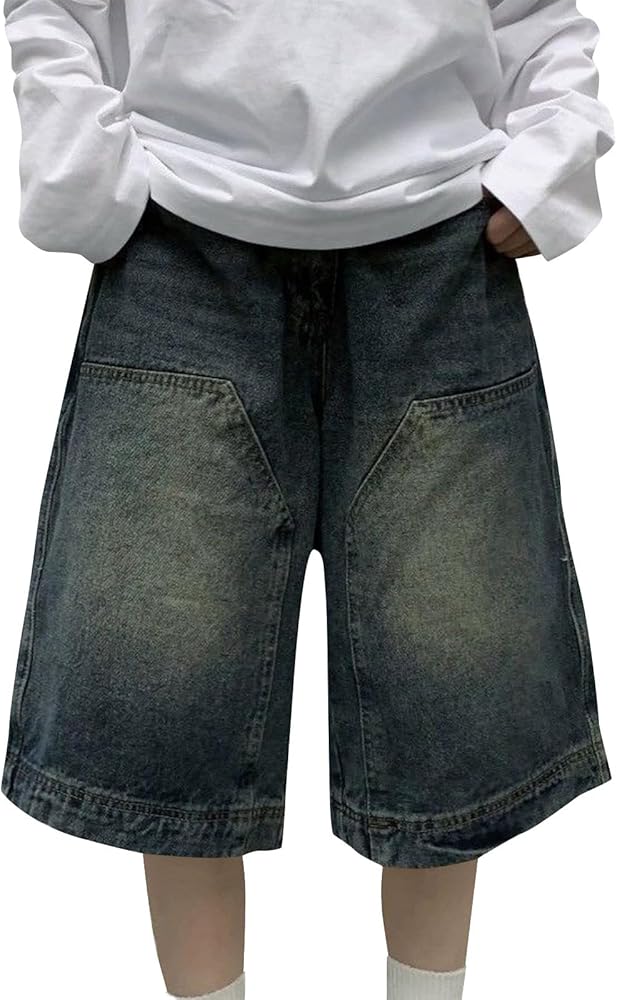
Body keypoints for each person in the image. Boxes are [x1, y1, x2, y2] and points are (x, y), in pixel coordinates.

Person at [1, 2, 613, 999]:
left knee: (451, 701)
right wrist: (84, 163)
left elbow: (537, 17)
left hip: (436, 247)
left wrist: (548, 160)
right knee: (167, 705)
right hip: (180, 239)